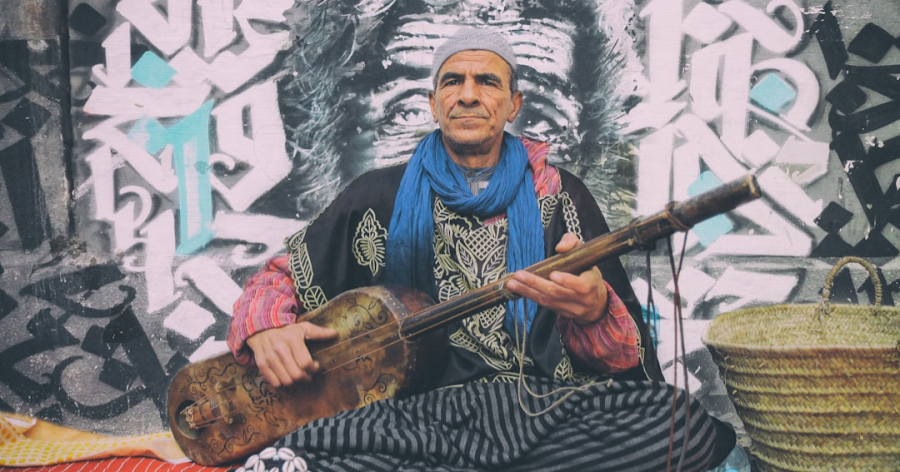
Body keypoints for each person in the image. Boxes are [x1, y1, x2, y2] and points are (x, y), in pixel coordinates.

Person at [227, 27, 734, 472]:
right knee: (324, 436)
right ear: (434, 103)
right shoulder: (375, 195)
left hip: (539, 408)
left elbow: (624, 362)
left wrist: (595, 312)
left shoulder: (561, 196)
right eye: (453, 81)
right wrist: (267, 327)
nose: (468, 95)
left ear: (513, 105)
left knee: (680, 425)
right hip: (414, 415)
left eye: (487, 82)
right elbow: (279, 277)